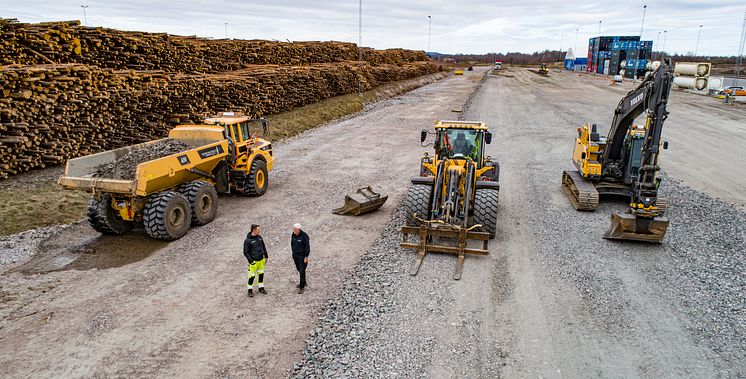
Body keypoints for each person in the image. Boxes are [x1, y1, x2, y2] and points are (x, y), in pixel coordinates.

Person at [243, 224, 268, 297]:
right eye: (258, 230)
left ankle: (261, 288)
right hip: (254, 262)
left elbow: (263, 246)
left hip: (261, 261)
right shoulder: (247, 241)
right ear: (254, 230)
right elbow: (245, 252)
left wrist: (266, 256)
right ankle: (250, 290)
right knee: (251, 276)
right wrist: (251, 261)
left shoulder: (259, 237)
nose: (259, 231)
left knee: (261, 274)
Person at [290, 223, 310, 294]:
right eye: (293, 229)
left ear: (299, 229)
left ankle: (302, 287)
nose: (293, 230)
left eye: (295, 229)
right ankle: (304, 281)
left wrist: (306, 256)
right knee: (299, 269)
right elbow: (292, 243)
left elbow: (307, 247)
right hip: (295, 255)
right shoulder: (293, 234)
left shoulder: (305, 236)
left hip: (302, 256)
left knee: (302, 270)